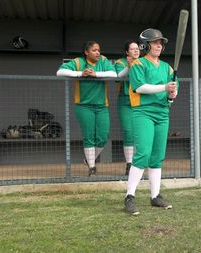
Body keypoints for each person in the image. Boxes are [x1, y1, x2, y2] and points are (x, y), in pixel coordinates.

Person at [124, 28, 178, 215]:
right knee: (143, 153)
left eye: (161, 43)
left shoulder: (168, 68)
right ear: (145, 45)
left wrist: (172, 93)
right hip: (143, 112)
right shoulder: (138, 64)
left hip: (162, 113)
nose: (159, 45)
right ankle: (129, 196)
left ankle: (155, 196)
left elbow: (172, 94)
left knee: (157, 156)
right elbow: (139, 87)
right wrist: (164, 87)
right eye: (155, 42)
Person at [56, 41, 117, 176]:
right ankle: (92, 168)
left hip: (102, 105)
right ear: (86, 52)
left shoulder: (103, 60)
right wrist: (80, 73)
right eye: (94, 50)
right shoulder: (78, 62)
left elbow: (114, 74)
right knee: (88, 136)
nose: (98, 52)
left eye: (98, 50)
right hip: (83, 106)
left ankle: (89, 159)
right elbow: (59, 72)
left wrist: (95, 74)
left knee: (103, 136)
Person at [114, 40, 140, 176]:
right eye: (133, 49)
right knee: (128, 132)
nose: (136, 51)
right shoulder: (120, 62)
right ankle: (129, 164)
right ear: (127, 52)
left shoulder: (143, 62)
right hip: (125, 100)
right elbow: (118, 77)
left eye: (137, 49)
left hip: (141, 100)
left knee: (139, 133)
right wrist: (129, 66)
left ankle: (138, 164)